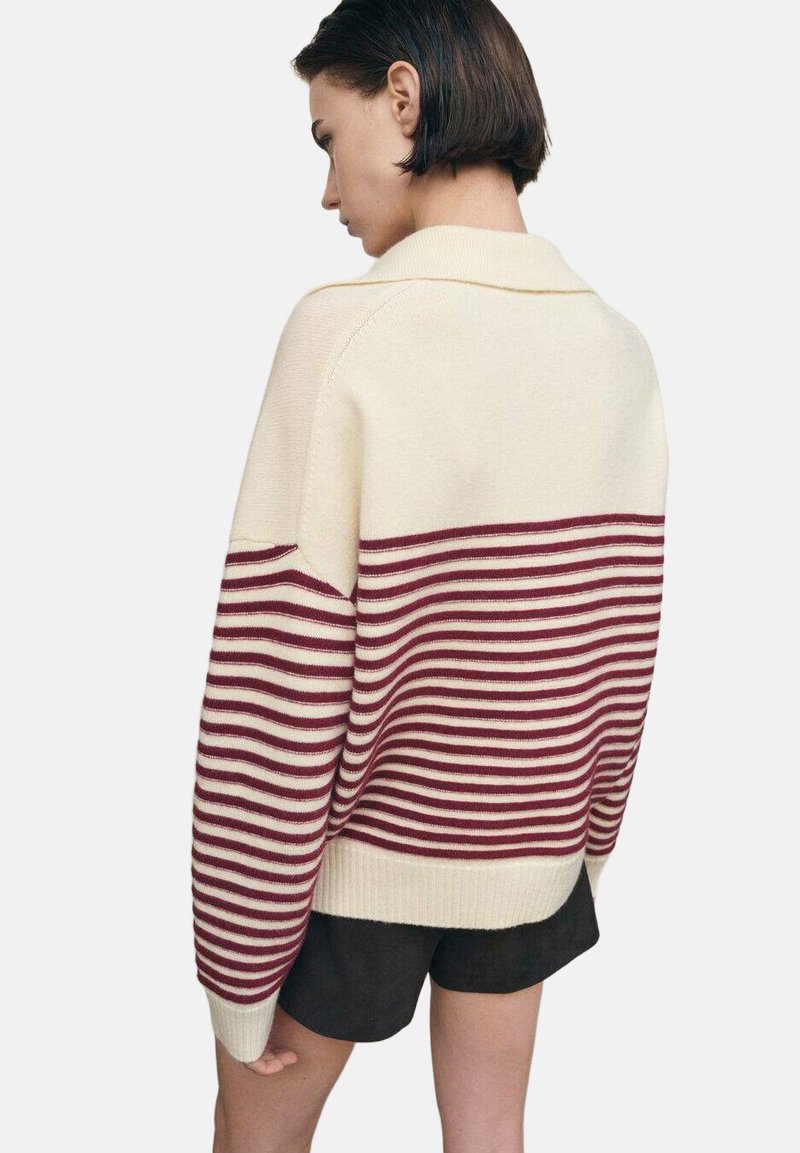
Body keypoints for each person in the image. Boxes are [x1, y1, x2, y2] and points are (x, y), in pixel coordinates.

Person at [191, 2, 669, 1150]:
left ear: (402, 98)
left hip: (353, 877)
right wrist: (583, 850)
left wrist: (237, 964)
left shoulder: (347, 332)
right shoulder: (617, 347)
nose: (325, 191)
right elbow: (619, 640)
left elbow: (278, 678)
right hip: (533, 859)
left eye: (326, 138)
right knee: (490, 1132)